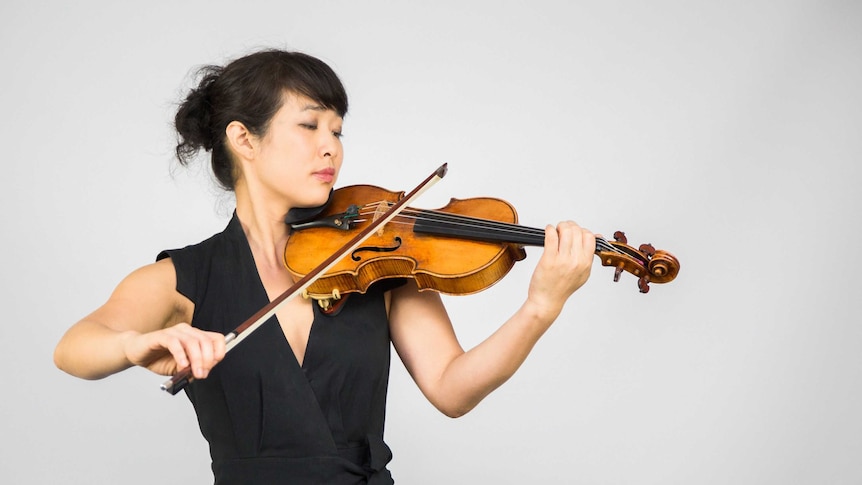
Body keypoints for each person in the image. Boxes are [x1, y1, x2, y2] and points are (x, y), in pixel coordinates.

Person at [53, 49, 595, 484]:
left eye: (337, 131)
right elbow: (75, 347)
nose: (330, 148)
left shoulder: (377, 258)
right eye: (309, 126)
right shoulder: (185, 277)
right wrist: (134, 345)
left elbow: (453, 389)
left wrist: (540, 307)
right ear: (244, 138)